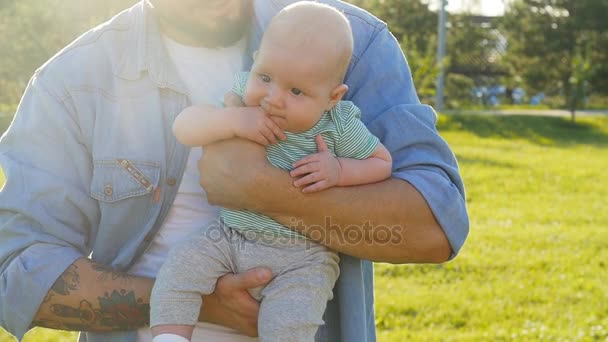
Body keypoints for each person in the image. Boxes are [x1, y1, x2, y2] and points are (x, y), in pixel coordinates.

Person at [0, 0, 469, 341]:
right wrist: (207, 304)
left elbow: (435, 228)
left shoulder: (348, 40)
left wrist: (262, 188)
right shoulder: (72, 82)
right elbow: (16, 274)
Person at [150, 3, 392, 342]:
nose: (273, 98)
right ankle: (170, 338)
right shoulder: (243, 98)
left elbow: (381, 163)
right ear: (256, 62)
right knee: (180, 271)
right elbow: (184, 127)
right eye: (264, 77)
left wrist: (338, 170)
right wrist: (232, 119)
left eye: (296, 91)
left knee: (291, 321)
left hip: (304, 257)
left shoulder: (339, 124)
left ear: (332, 97)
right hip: (231, 236)